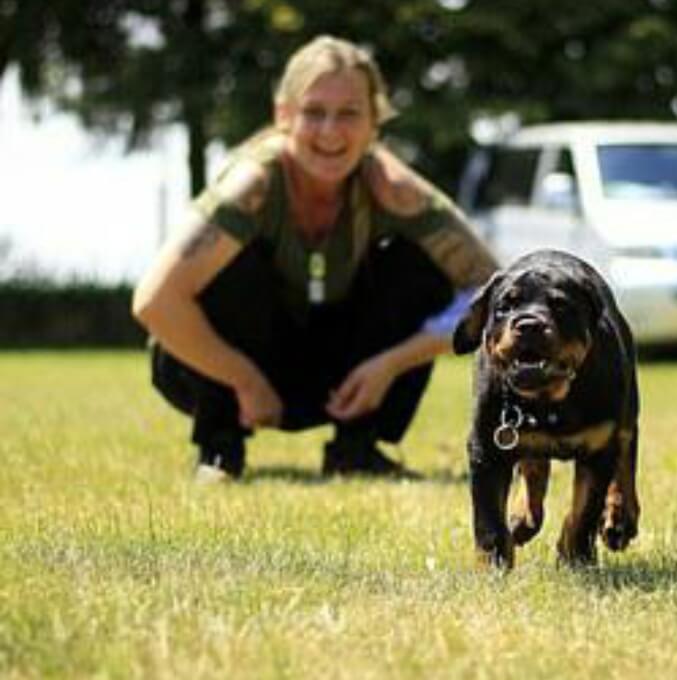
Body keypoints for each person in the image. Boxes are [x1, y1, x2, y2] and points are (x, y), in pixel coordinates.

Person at [132, 36, 498, 482]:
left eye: (349, 114)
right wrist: (244, 379)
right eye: (313, 112)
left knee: (415, 265)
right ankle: (219, 448)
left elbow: (496, 294)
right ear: (283, 116)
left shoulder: (393, 188)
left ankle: (356, 449)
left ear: (374, 126)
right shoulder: (253, 184)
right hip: (239, 375)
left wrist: (392, 363)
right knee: (226, 267)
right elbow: (154, 301)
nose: (330, 131)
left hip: (344, 382)